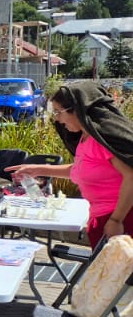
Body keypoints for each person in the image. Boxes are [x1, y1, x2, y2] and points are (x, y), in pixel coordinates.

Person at [10, 83, 133, 246]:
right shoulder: (86, 139)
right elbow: (81, 170)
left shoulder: (102, 141)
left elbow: (131, 175)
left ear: (77, 110)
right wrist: (37, 169)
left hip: (121, 219)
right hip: (104, 217)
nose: (57, 119)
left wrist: (116, 220)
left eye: (58, 112)